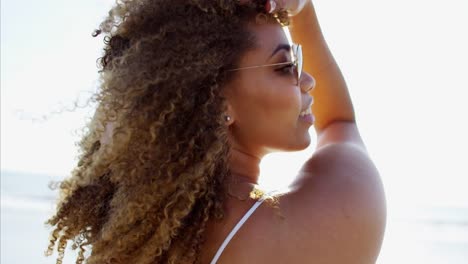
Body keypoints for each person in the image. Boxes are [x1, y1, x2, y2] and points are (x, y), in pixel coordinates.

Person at [45, 0, 386, 263]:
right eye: (285, 67)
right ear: (219, 103)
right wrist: (304, 10)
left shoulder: (140, 242)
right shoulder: (305, 227)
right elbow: (341, 123)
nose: (307, 80)